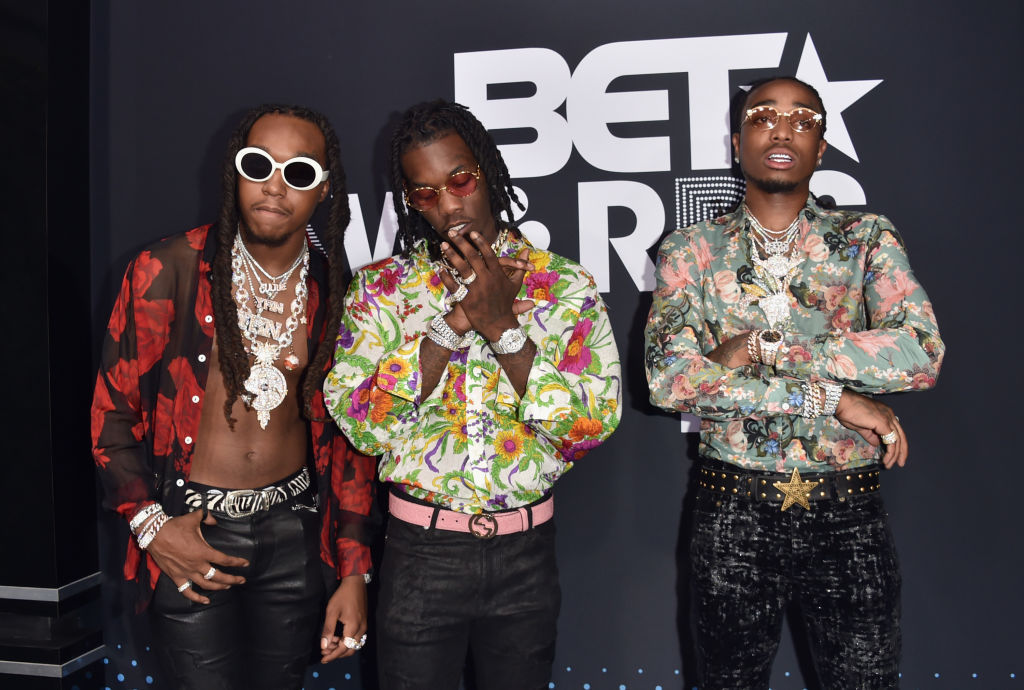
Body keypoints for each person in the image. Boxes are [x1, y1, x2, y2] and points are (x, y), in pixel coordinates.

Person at [644, 77, 944, 688]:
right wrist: (830, 397)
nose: (782, 129)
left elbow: (921, 353)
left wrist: (761, 349)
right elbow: (670, 381)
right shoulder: (690, 251)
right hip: (733, 509)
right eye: (763, 116)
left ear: (823, 147)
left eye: (802, 119)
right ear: (736, 142)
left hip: (849, 510)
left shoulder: (865, 239)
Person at [323, 99, 621, 690]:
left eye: (459, 180)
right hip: (420, 555)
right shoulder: (383, 291)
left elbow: (591, 423)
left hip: (525, 552)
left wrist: (504, 329)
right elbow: (361, 423)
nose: (450, 205)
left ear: (486, 169)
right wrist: (453, 324)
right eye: (425, 194)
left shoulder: (563, 285)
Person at [90, 104, 376, 689]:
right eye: (258, 165)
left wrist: (353, 573)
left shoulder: (338, 294)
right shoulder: (164, 270)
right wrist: (152, 526)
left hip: (296, 534)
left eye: (298, 174)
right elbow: (111, 416)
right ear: (234, 173)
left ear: (323, 190)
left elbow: (351, 444)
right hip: (191, 529)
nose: (275, 186)